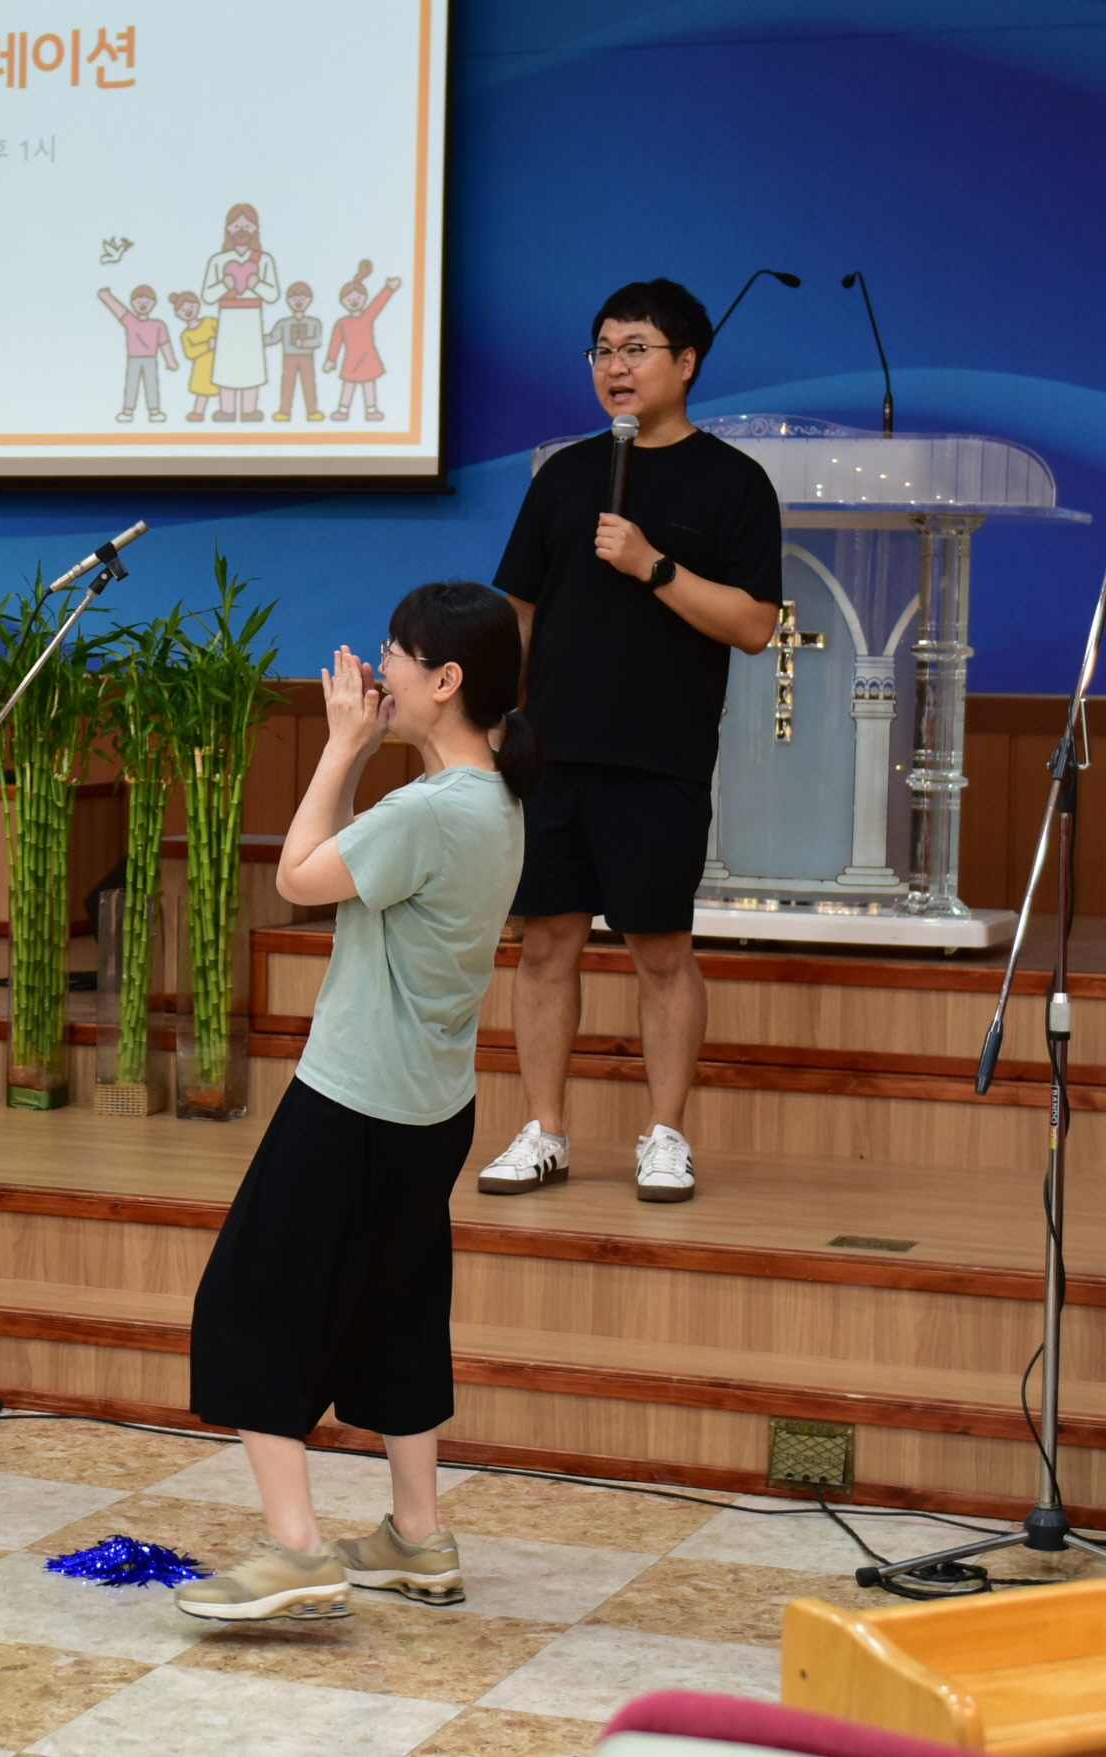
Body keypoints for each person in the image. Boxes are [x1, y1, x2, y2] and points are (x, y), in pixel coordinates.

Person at [175, 582, 535, 1623]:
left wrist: (340, 747)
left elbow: (294, 877)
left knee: (249, 1303)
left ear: (446, 679)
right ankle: (417, 1536)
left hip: (355, 1102)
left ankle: (296, 1548)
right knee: (398, 1310)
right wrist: (364, 756)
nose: (378, 674)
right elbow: (340, 871)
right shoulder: (495, 800)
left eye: (394, 657)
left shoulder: (429, 810)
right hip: (433, 1107)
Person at [480, 278, 781, 1205]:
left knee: (660, 949)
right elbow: (520, 614)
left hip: (660, 754)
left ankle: (665, 1133)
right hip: (552, 750)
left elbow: (754, 623)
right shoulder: (564, 475)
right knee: (544, 944)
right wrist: (493, 724)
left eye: (636, 349)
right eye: (603, 350)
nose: (616, 366)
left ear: (686, 362)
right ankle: (545, 1129)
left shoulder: (734, 482)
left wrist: (653, 564)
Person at [198, 203, 278, 422]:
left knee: (251, 364)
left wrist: (256, 284)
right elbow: (208, 295)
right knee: (227, 364)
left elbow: (272, 295)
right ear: (228, 229)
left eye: (247, 225)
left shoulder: (264, 260)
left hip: (252, 317)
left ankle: (250, 410)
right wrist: (225, 284)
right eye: (236, 226)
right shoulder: (218, 261)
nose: (241, 230)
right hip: (228, 318)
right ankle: (227, 410)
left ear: (255, 229)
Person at [323, 261, 401, 422]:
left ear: (364, 298)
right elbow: (336, 343)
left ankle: (371, 410)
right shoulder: (342, 323)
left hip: (368, 358)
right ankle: (343, 410)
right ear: (343, 301)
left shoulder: (367, 316)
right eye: (349, 298)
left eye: (358, 297)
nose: (354, 301)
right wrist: (331, 360)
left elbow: (378, 304)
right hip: (351, 359)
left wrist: (389, 288)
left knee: (369, 384)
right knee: (348, 384)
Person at [96, 283, 177, 422]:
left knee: (151, 385)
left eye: (147, 301)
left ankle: (154, 411)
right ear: (133, 303)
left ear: (153, 303)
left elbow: (165, 343)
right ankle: (127, 411)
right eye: (139, 302)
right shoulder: (131, 321)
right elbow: (118, 309)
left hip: (150, 359)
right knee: (131, 385)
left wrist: (170, 360)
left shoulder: (158, 325)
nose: (143, 304)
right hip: (133, 359)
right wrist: (106, 296)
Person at [263, 282, 323, 422]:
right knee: (287, 383)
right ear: (288, 301)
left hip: (306, 357)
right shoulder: (284, 323)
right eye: (294, 299)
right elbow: (272, 338)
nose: (298, 302)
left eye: (302, 299)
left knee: (309, 383)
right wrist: (256, 340)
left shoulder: (314, 322)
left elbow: (317, 341)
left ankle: (312, 411)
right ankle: (284, 412)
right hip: (289, 357)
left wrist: (304, 343)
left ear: (309, 300)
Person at [174, 291, 220, 422]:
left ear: (197, 306)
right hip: (202, 368)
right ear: (178, 314)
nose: (188, 311)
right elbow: (190, 353)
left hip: (218, 363)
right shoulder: (186, 335)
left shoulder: (210, 321)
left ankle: (226, 411)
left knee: (223, 387)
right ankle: (198, 412)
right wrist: (207, 345)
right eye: (183, 310)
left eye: (190, 307)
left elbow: (224, 332)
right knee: (202, 391)